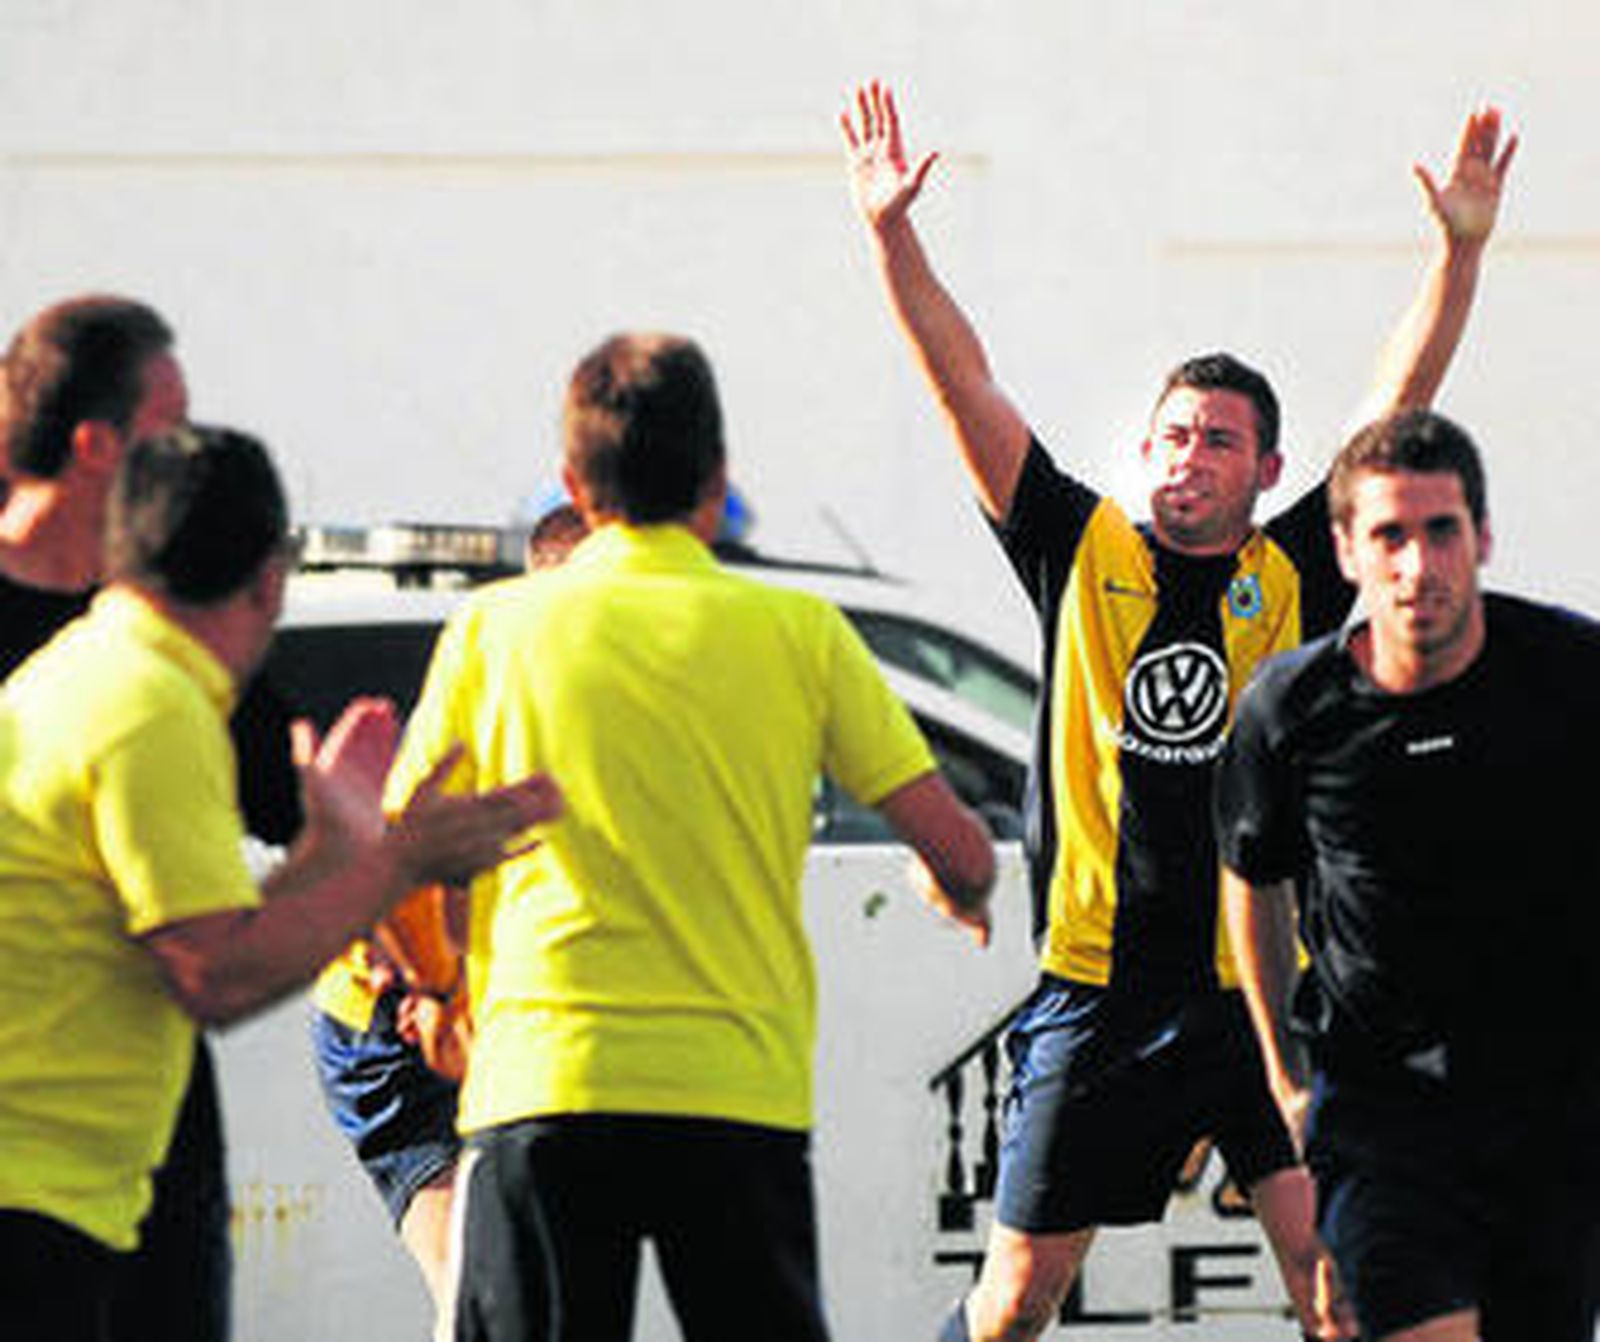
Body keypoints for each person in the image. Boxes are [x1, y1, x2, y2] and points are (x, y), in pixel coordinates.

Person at [839, 82, 1515, 1340]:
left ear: (1266, 471)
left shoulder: (1300, 567)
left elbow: (1400, 390)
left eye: (1217, 441)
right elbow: (960, 384)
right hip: (1095, 988)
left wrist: (1457, 250)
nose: (1185, 456)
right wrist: (891, 235)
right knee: (1010, 1308)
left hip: (1264, 993)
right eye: (1171, 435)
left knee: (1339, 1295)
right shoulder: (1078, 545)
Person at [383, 331, 996, 1342]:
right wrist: (959, 887)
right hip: (734, 1089)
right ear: (717, 483)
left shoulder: (493, 632)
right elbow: (962, 849)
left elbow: (403, 855)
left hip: (543, 1075)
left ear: (575, 487)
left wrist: (441, 989)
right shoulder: (800, 631)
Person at [0, 424, 561, 1342]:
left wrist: (332, 859)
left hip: (66, 1185)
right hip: (35, 1194)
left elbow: (192, 930)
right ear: (269, 579)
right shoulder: (152, 708)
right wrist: (396, 864)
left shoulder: (90, 673)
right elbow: (212, 972)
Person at [1216, 409, 1600, 1341]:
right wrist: (1284, 1073)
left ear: (1483, 539)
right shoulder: (1290, 710)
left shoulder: (1571, 673)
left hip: (1555, 1110)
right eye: (1390, 536)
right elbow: (1251, 879)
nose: (1418, 566)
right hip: (1380, 1110)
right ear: (1347, 551)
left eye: (1442, 532)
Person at [0, 293, 300, 1342]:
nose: (184, 455)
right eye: (165, 428)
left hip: (151, 1140)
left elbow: (293, 796)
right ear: (94, 444)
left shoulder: (164, 625)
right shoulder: (117, 668)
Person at [308, 494, 590, 1329]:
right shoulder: (494, 699)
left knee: (509, 1291)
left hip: (485, 1023)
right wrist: (436, 989)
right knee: (485, 1294)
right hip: (393, 1033)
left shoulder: (587, 697)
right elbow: (402, 861)